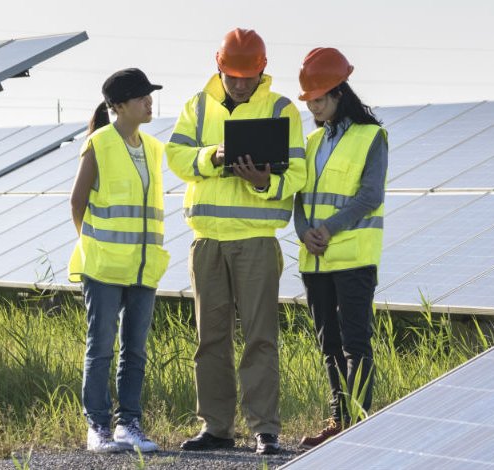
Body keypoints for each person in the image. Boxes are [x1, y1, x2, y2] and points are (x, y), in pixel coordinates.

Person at [167, 28, 306, 456]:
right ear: (219, 66)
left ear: (262, 70)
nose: (241, 84)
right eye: (234, 76)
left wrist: (267, 182)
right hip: (207, 242)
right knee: (210, 339)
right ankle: (217, 427)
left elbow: (298, 174)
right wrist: (213, 157)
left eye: (249, 76)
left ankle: (265, 429)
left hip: (257, 242)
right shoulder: (196, 105)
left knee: (260, 338)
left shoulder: (282, 108)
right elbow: (175, 157)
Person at [288, 48, 388, 449]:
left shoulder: (371, 137)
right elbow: (296, 195)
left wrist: (327, 228)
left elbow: (370, 196)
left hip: (354, 258)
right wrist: (303, 232)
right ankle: (338, 419)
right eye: (309, 100)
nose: (312, 106)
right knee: (328, 344)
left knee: (355, 343)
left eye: (318, 99)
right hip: (315, 260)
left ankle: (358, 423)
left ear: (338, 93)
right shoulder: (310, 142)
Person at [68, 68, 168, 454]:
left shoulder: (155, 149)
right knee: (102, 348)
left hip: (144, 267)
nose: (149, 101)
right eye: (142, 96)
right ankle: (97, 426)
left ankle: (129, 424)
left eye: (149, 95)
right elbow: (77, 203)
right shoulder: (100, 144)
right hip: (105, 267)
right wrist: (93, 245)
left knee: (136, 350)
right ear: (119, 106)